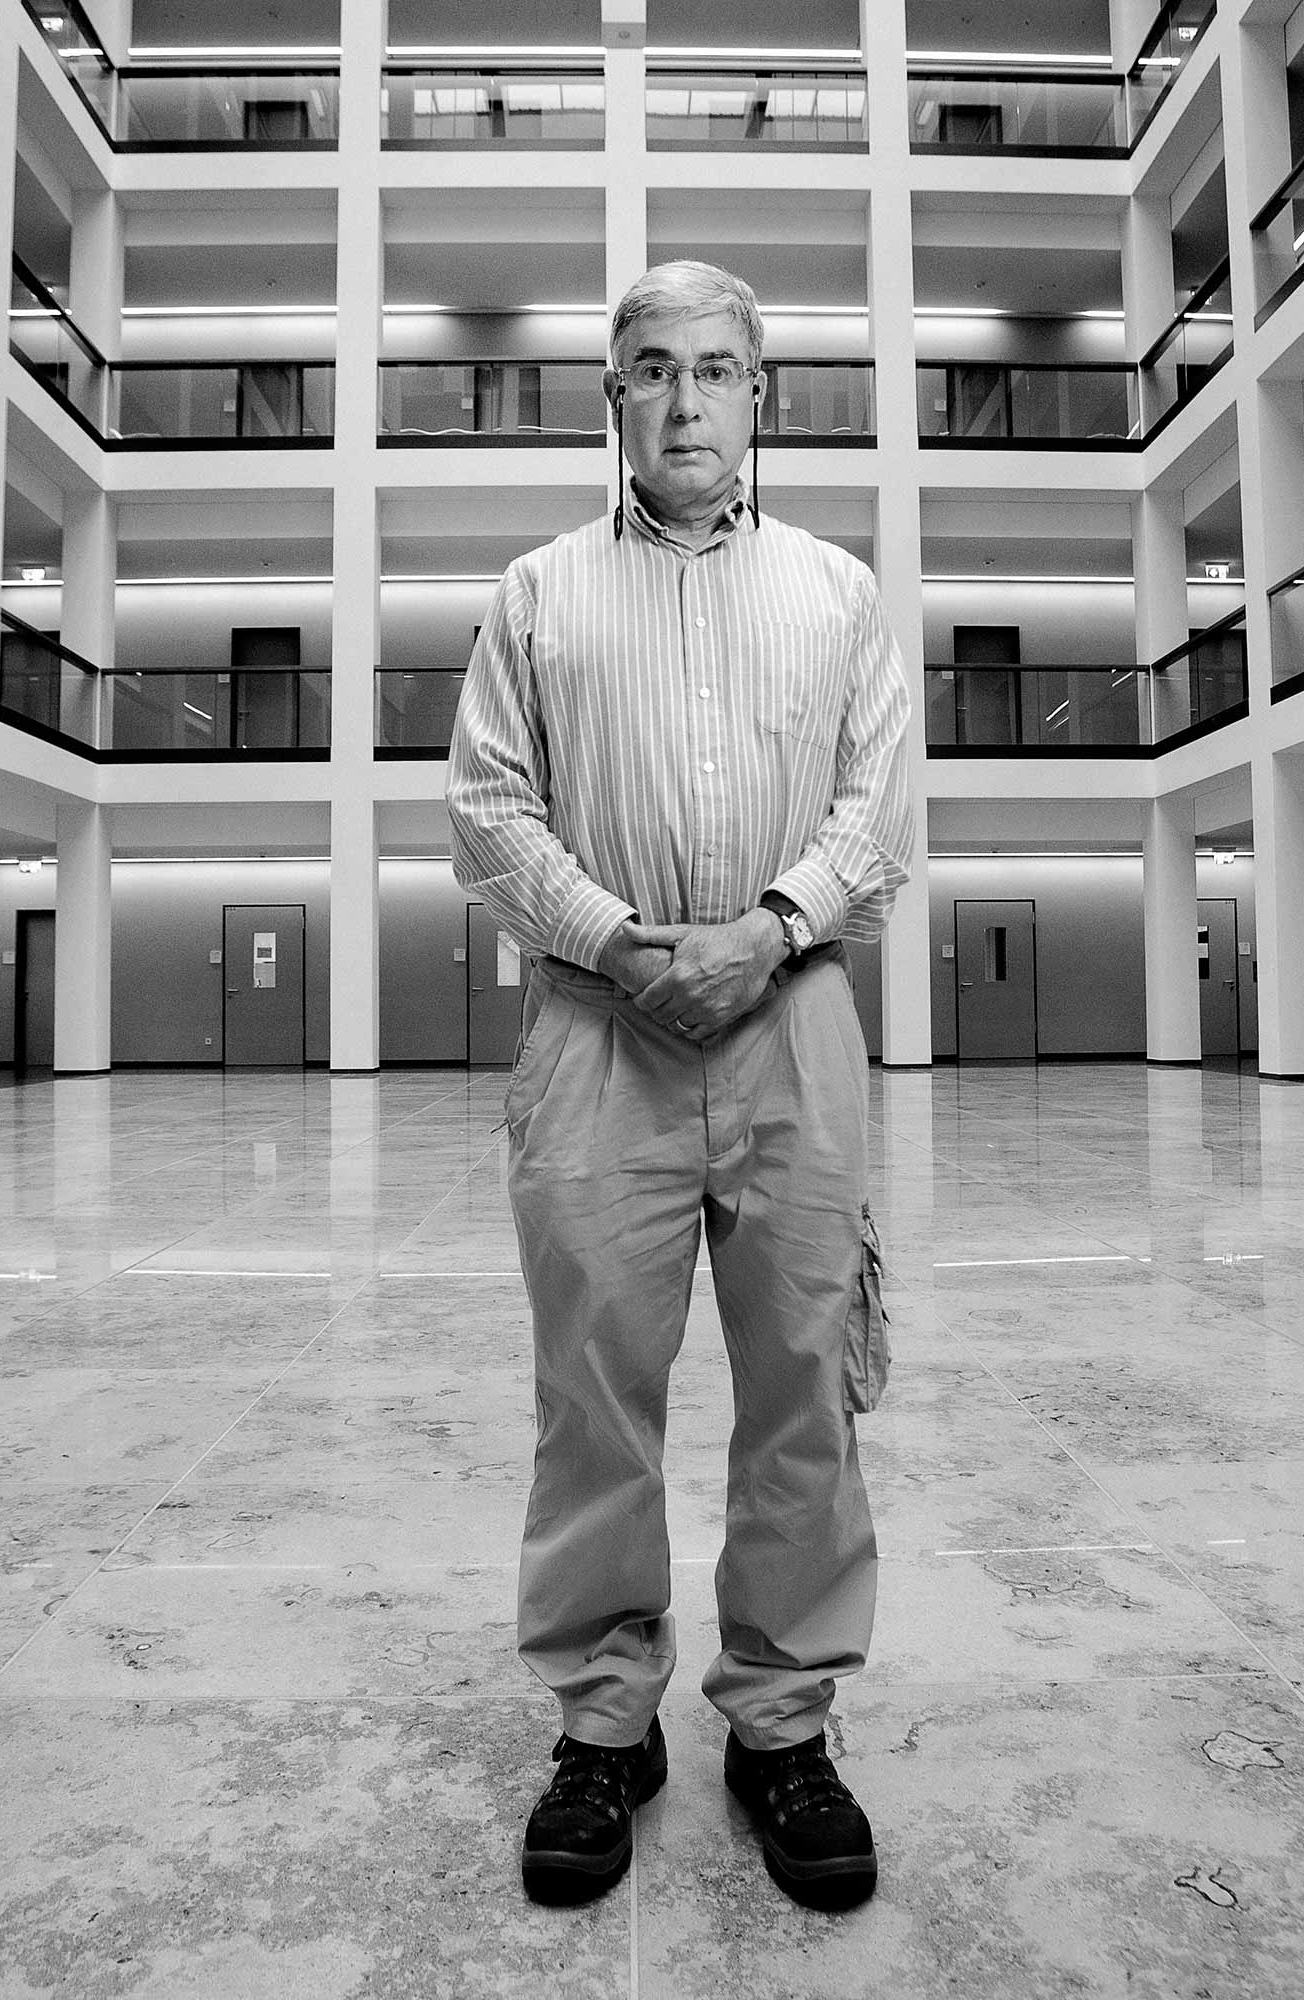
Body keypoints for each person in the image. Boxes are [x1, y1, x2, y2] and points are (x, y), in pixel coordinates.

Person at [445, 259, 914, 1913]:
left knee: (804, 1393)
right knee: (594, 1401)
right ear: (614, 400)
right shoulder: (538, 596)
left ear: (760, 395)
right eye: (653, 368)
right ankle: (604, 1723)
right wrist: (620, 942)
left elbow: (877, 816)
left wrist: (766, 931)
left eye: (716, 368)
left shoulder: (838, 594)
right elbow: (488, 811)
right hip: (597, 1035)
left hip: (794, 1025)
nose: (686, 398)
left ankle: (782, 1724)